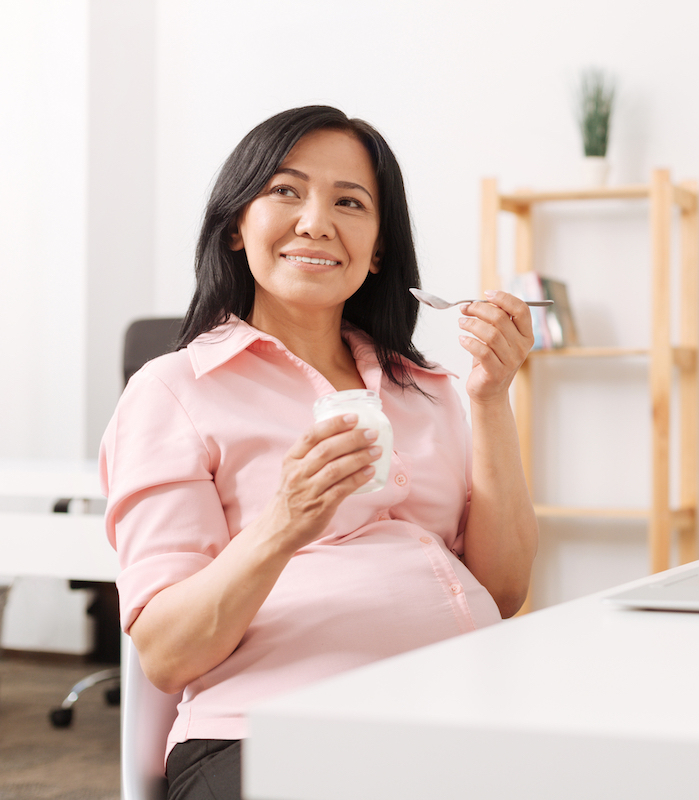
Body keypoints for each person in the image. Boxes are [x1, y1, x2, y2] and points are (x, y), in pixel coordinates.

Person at [100, 106, 538, 800]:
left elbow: (504, 591)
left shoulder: (429, 389)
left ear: (379, 249)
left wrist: (490, 399)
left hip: (461, 720)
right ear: (236, 226)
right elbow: (166, 651)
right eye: (285, 191)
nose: (316, 221)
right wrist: (285, 522)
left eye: (349, 202)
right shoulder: (173, 391)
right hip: (268, 734)